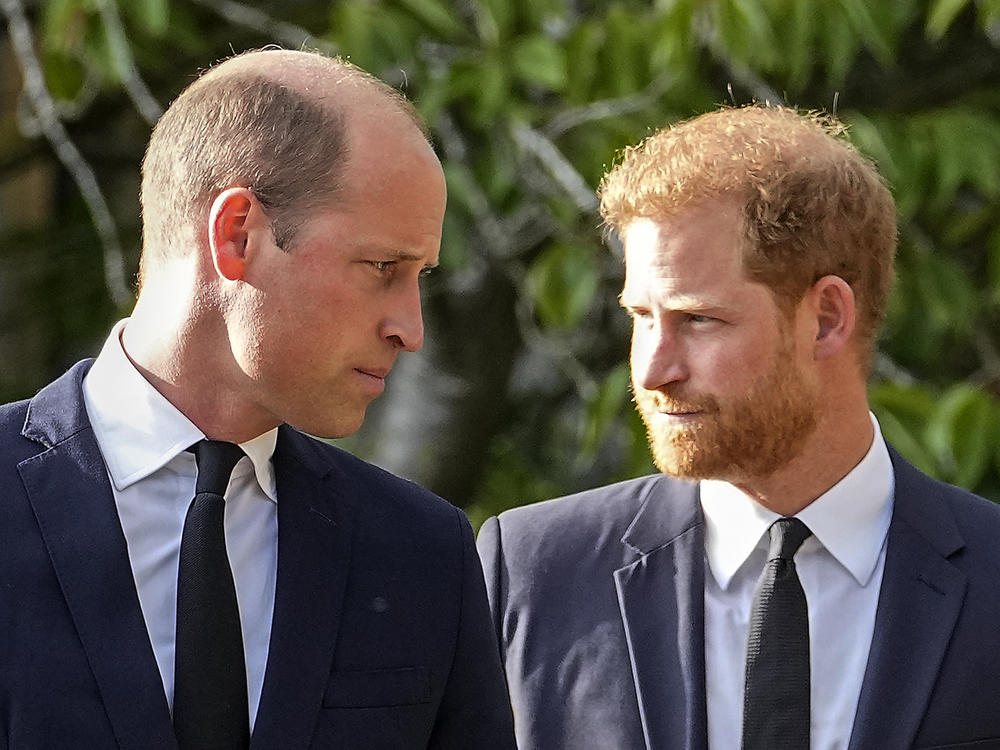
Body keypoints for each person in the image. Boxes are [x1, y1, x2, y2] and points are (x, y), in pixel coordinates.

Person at [0, 48, 515, 749]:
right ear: (236, 233)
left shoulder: (424, 553)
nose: (411, 329)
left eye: (420, 274)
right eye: (383, 268)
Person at [477, 105, 1000, 749]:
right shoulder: (533, 571)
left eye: (698, 320)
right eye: (642, 316)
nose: (652, 370)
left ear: (828, 318)